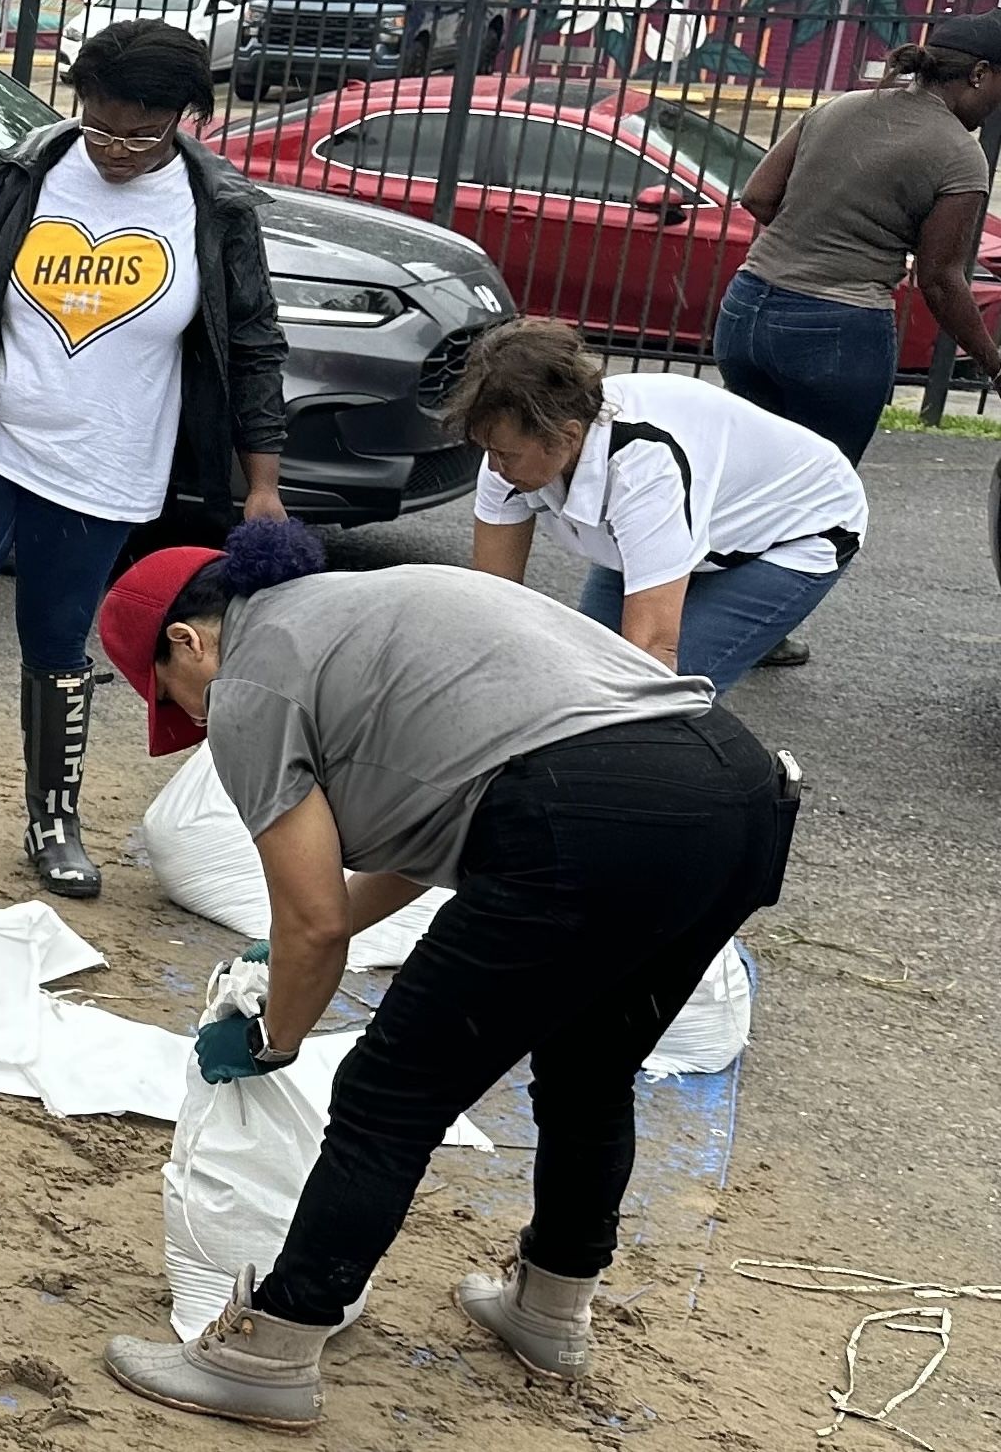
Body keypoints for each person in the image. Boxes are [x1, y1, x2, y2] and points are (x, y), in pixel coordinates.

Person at [90, 520, 790, 1429]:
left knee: (388, 1090)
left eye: (172, 695)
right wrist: (280, 956)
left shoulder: (250, 679)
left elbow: (313, 920)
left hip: (590, 810)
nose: (190, 719)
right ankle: (550, 1309)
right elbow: (422, 842)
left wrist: (274, 1036)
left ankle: (274, 1347)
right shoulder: (357, 611)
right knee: (588, 1067)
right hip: (735, 789)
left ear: (187, 639)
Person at [0, 19, 288, 899]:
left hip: (107, 463)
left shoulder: (215, 209)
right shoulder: (28, 170)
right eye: (99, 122)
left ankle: (52, 821)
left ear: (186, 117)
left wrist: (261, 481)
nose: (113, 146)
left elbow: (255, 344)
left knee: (57, 642)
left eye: (140, 131)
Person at [723, 10, 1001, 665]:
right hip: (836, 332)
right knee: (817, 493)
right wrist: (992, 360)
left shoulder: (840, 106)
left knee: (746, 476)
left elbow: (759, 196)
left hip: (746, 311)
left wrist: (822, 226)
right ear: (982, 74)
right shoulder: (960, 154)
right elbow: (941, 280)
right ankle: (758, 630)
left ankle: (696, 598)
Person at [454, 318, 867, 691]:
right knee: (584, 673)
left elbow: (652, 655)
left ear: (567, 435)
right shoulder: (511, 450)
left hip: (800, 527)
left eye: (506, 455)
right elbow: (495, 603)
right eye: (489, 449)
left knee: (650, 694)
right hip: (684, 518)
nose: (494, 467)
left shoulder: (644, 469)